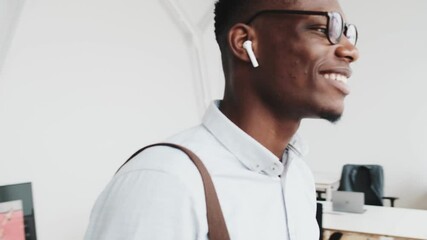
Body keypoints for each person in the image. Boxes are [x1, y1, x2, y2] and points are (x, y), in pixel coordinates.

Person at [84, 0, 359, 239]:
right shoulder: (165, 181)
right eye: (325, 29)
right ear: (245, 43)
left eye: (348, 33)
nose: (350, 50)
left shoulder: (298, 176)